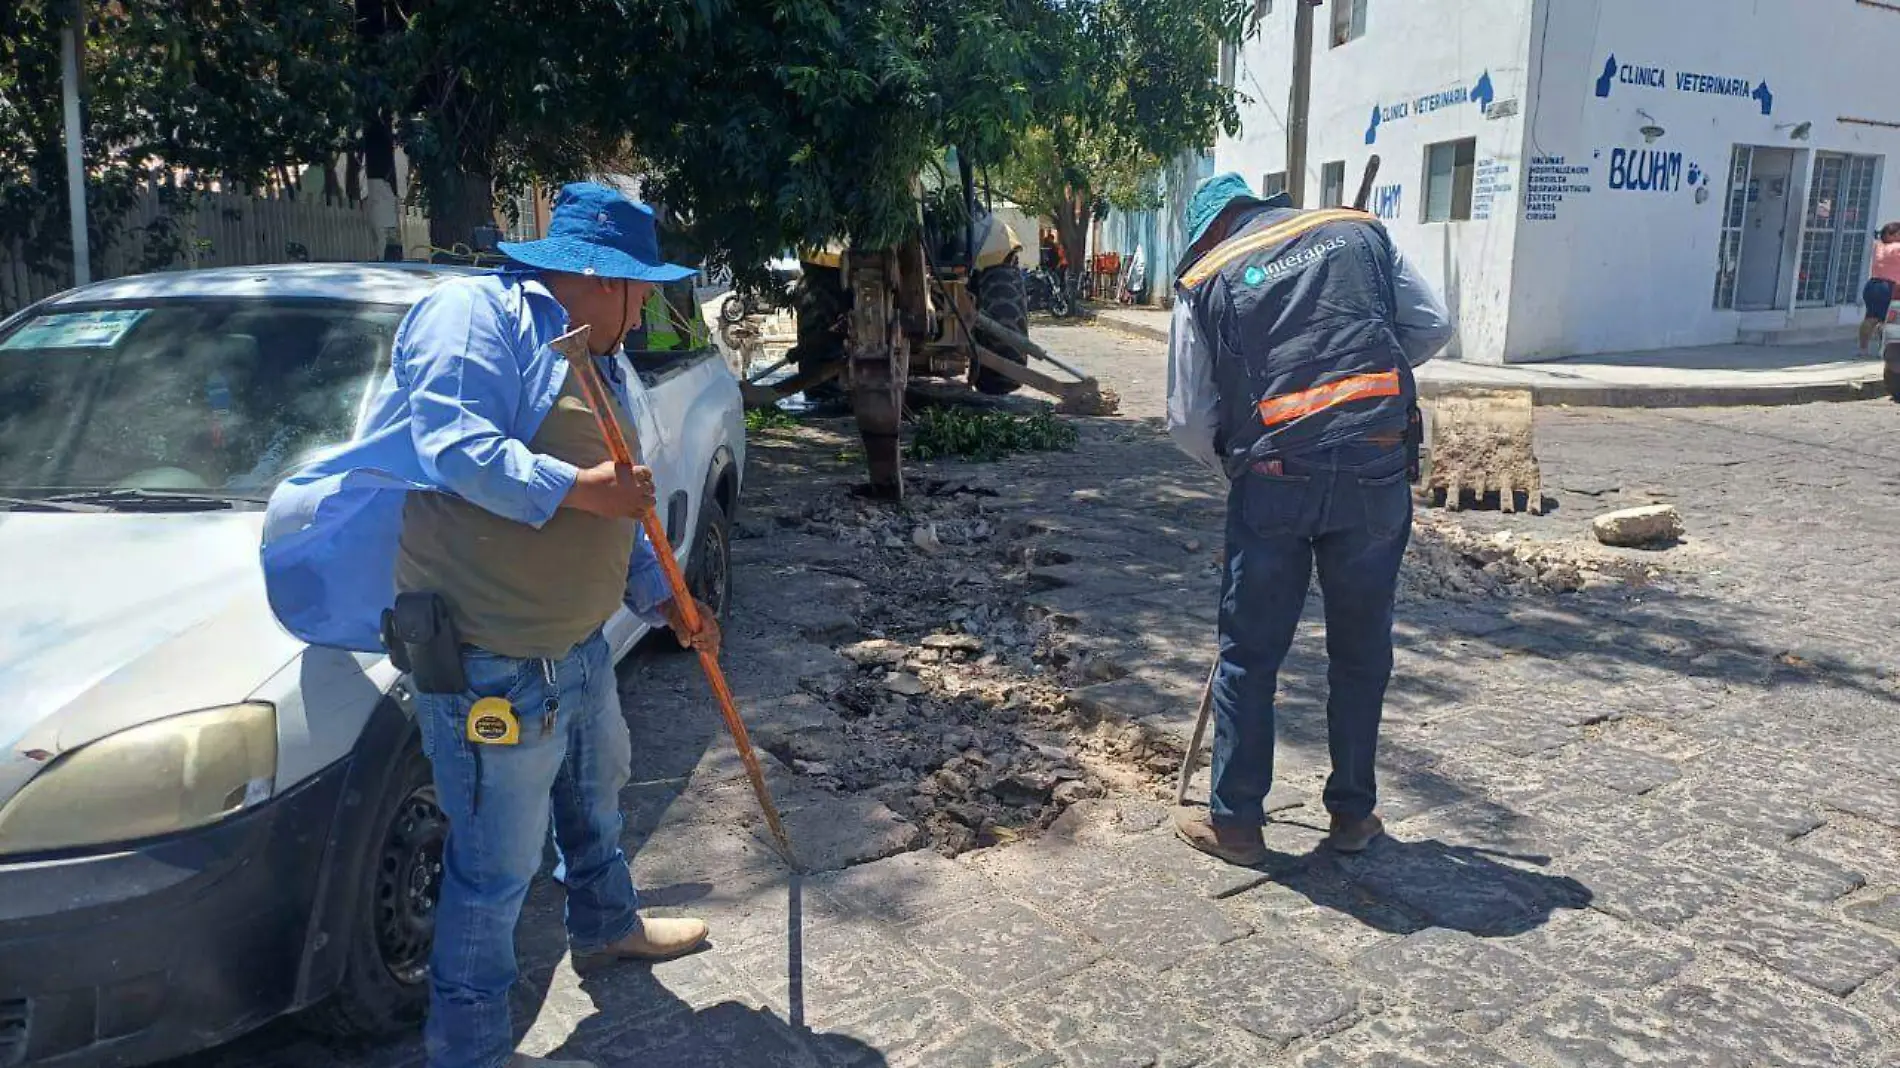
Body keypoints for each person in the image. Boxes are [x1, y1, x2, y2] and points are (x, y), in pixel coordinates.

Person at [260, 182, 719, 1068]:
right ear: (603, 279)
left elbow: (621, 499)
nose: (645, 308)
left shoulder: (599, 358)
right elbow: (454, 447)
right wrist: (581, 490)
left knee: (595, 805)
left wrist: (660, 596)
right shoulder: (476, 317)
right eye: (640, 289)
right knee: (492, 872)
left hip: (579, 650)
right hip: (490, 666)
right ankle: (468, 1048)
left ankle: (607, 926)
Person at [1166, 173, 1453, 867]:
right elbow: (1431, 325)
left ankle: (1236, 824)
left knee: (1250, 651)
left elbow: (1186, 420)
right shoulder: (1358, 232)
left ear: (1207, 230)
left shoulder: (1205, 276)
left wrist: (1236, 458)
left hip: (1273, 478)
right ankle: (1353, 815)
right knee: (1361, 649)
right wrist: (1351, 381)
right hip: (1376, 465)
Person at [1859, 222, 1900, 357]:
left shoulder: (1878, 246)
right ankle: (1882, 350)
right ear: (1891, 235)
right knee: (1886, 321)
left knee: (1870, 318)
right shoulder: (1896, 247)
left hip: (1872, 284)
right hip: (1888, 287)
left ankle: (1863, 348)